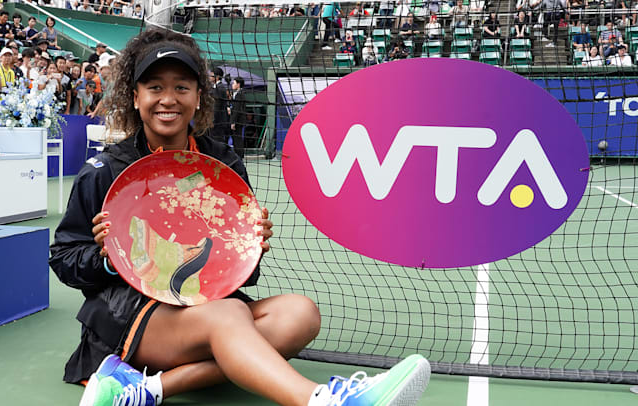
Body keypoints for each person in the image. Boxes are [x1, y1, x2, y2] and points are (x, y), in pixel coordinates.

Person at [50, 27, 431, 406]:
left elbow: (240, 275)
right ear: (135, 98)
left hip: (205, 307)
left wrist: (248, 248)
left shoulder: (222, 165)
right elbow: (65, 258)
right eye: (155, 88)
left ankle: (145, 389)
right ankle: (325, 401)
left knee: (300, 314)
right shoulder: (105, 171)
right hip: (128, 316)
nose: (168, 99)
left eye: (182, 87)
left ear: (199, 97)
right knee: (231, 313)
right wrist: (110, 258)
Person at [209, 66, 230, 144]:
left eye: (211, 75)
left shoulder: (220, 88)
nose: (210, 77)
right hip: (218, 122)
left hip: (218, 122)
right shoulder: (216, 88)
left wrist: (212, 121)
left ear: (217, 77)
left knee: (217, 142)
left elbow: (216, 107)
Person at [229, 76, 247, 158]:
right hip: (238, 120)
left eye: (234, 83)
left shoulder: (239, 95)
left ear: (238, 84)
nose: (232, 84)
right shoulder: (236, 94)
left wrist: (233, 122)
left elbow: (237, 110)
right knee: (236, 138)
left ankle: (239, 156)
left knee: (237, 139)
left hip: (238, 121)